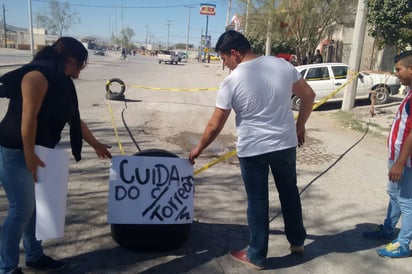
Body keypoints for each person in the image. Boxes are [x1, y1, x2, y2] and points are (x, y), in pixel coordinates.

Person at [188, 30, 316, 270]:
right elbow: (308, 95)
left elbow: (215, 125)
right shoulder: (282, 65)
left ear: (234, 53)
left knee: (258, 201)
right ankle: (297, 241)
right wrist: (300, 127)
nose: (225, 65)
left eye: (224, 59)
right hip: (285, 145)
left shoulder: (232, 81)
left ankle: (256, 255)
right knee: (289, 192)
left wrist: (199, 148)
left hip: (253, 149)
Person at [0, 37, 112, 274]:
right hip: (16, 149)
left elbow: (74, 117)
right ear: (70, 58)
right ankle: (7, 268)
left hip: (39, 150)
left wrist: (96, 144)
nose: (81, 70)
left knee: (34, 208)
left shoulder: (63, 80)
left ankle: (34, 255)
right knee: (21, 209)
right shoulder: (37, 76)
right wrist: (29, 153)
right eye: (81, 64)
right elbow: (28, 117)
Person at [362, 50, 412, 258]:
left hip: (406, 160)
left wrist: (400, 161)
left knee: (406, 200)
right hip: (397, 155)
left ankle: (403, 243)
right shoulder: (409, 91)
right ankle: (389, 227)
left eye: (399, 69)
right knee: (394, 194)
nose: (396, 73)